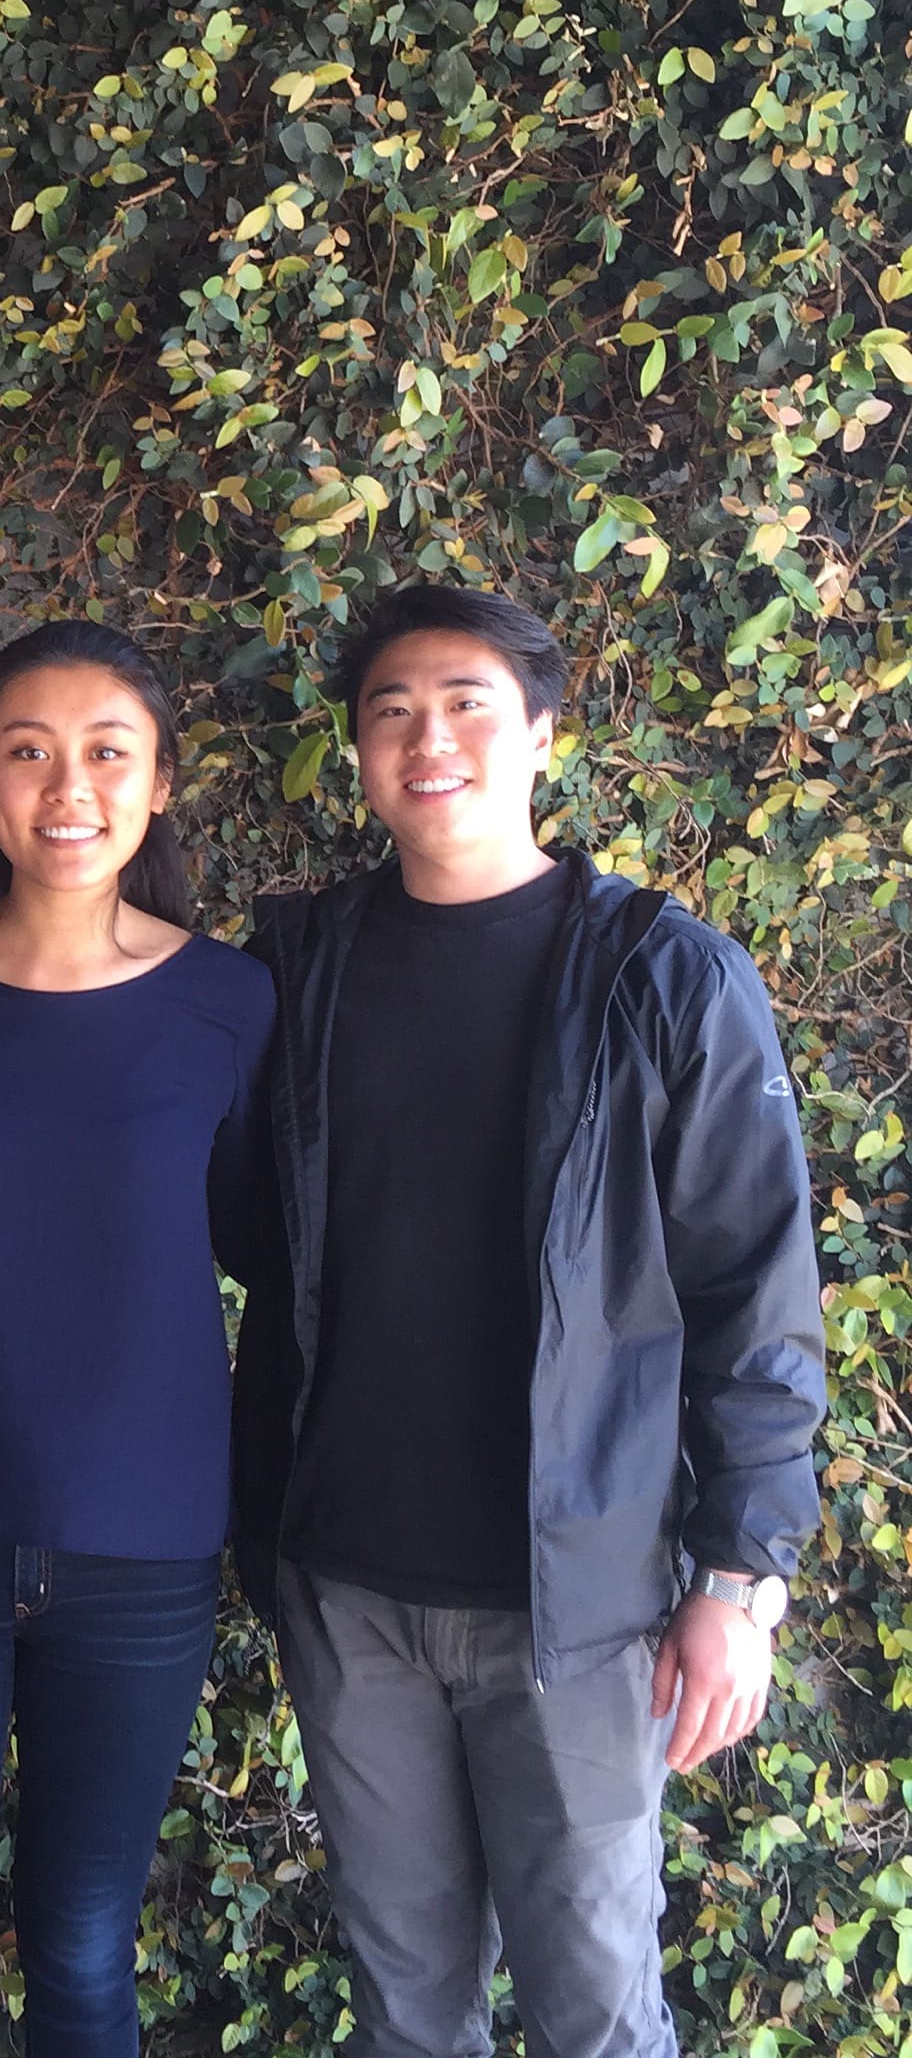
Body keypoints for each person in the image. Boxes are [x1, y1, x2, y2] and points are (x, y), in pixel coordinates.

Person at [230, 582, 828, 2058]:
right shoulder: (294, 969)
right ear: (359, 753)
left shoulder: (663, 975)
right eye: (392, 712)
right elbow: (225, 1225)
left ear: (544, 736)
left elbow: (755, 1289)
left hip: (576, 1601)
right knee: (404, 2007)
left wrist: (741, 1576)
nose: (428, 739)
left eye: (468, 707)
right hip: (347, 1585)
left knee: (595, 2010)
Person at [0, 619, 273, 2057]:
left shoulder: (231, 1002)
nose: (68, 787)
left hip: (142, 1551)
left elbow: (253, 1237)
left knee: (84, 1945)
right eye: (29, 751)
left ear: (160, 784)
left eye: (106, 753)